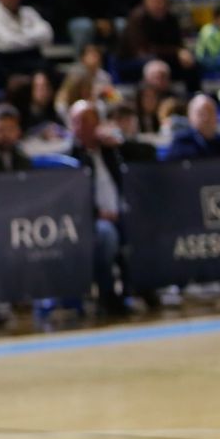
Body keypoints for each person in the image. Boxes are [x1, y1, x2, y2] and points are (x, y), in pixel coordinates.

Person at [65, 101, 127, 315]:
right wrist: (98, 214)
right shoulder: (70, 156)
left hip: (123, 213)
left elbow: (142, 156)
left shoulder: (111, 151)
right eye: (77, 122)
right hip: (91, 220)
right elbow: (71, 200)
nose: (82, 127)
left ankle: (141, 290)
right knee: (106, 234)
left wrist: (120, 144)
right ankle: (107, 295)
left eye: (88, 121)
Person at [118, 0, 200, 91]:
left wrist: (181, 53)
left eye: (163, 0)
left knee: (190, 63)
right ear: (146, 0)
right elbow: (143, 50)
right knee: (156, 67)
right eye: (156, 0)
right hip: (133, 62)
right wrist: (175, 52)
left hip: (163, 58)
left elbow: (178, 45)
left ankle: (194, 95)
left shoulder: (171, 19)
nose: (160, 4)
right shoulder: (137, 18)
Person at [166, 94, 220, 160]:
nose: (206, 117)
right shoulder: (181, 143)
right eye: (200, 113)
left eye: (210, 111)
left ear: (216, 116)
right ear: (190, 117)